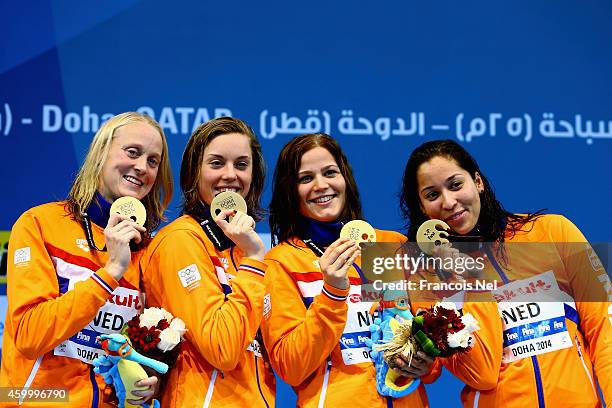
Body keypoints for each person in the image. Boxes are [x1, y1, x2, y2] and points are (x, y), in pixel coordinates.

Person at [399, 139, 611, 407]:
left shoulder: (553, 232)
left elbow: (604, 331)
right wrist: (467, 282)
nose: (449, 202)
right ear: (422, 207)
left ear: (478, 182)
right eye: (432, 195)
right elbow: (482, 375)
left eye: (455, 185)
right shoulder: (426, 279)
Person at [0, 112, 173, 407]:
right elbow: (29, 336)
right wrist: (111, 273)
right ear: (101, 152)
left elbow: (152, 349)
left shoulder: (150, 251)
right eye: (133, 152)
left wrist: (154, 384)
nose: (142, 167)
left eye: (153, 161)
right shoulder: (39, 224)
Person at [261, 133, 436, 407]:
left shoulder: (392, 245)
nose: (321, 185)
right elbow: (290, 367)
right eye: (306, 178)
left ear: (345, 178)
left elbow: (429, 339)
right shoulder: (283, 262)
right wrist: (332, 293)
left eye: (330, 172)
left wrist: (426, 361)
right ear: (289, 191)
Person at [138, 117, 275, 407]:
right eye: (216, 163)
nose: (230, 175)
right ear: (193, 173)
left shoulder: (243, 249)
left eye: (241, 165)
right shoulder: (182, 240)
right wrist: (253, 261)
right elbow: (222, 349)